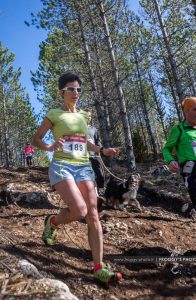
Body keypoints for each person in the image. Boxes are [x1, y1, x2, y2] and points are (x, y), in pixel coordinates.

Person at [32, 72, 122, 284]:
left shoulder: (83, 115)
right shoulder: (53, 114)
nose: (76, 93)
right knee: (80, 210)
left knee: (92, 214)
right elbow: (36, 139)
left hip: (83, 166)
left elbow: (85, 142)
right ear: (62, 92)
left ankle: (99, 267)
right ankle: (52, 222)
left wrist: (102, 149)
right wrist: (49, 146)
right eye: (71, 89)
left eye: (79, 89)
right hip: (62, 166)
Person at [163, 96, 196, 221]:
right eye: (195, 109)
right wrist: (170, 160)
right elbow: (166, 149)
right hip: (192, 172)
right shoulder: (178, 129)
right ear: (187, 111)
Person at [85, 109, 105, 197]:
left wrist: (100, 150)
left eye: (89, 116)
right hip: (84, 157)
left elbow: (98, 142)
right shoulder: (78, 128)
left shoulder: (93, 129)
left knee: (100, 173)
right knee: (89, 175)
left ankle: (100, 189)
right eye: (85, 115)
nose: (87, 117)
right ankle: (95, 194)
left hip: (95, 155)